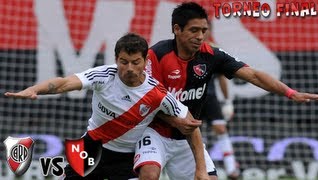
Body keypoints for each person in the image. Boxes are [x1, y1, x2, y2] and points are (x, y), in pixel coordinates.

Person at [134, 2, 318, 180]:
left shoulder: (211, 55)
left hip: (187, 137)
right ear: (177, 29)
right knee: (150, 175)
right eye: (194, 30)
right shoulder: (157, 55)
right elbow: (145, 99)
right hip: (155, 132)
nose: (200, 36)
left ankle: (231, 169)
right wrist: (174, 120)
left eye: (203, 31)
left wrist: (290, 93)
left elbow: (253, 75)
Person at [4, 33, 208, 180]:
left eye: (135, 62)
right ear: (116, 59)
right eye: (123, 61)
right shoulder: (103, 75)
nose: (129, 68)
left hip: (127, 159)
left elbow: (190, 124)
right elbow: (64, 83)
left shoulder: (158, 93)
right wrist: (35, 89)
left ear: (146, 61)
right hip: (91, 149)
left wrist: (201, 169)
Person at [199, 22, 240, 179]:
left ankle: (231, 169)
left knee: (221, 129)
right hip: (192, 99)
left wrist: (228, 101)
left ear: (210, 31)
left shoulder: (215, 51)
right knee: (195, 134)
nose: (203, 33)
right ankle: (199, 168)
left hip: (210, 98)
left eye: (206, 29)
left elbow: (222, 78)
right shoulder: (187, 50)